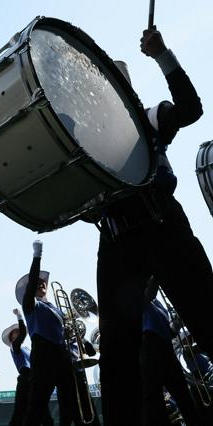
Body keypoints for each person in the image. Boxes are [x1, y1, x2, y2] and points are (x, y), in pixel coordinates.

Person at [95, 27, 212, 426]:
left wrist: (163, 56)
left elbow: (192, 108)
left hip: (162, 223)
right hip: (115, 240)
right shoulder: (84, 142)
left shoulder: (150, 117)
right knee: (116, 353)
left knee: (208, 316)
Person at [17, 240, 75, 426]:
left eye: (43, 283)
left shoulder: (56, 308)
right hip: (43, 354)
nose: (41, 283)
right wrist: (37, 256)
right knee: (37, 404)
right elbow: (33, 278)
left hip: (62, 354)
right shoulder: (30, 305)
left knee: (70, 402)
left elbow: (63, 332)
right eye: (37, 283)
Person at [139, 280, 201, 426]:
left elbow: (167, 331)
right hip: (149, 347)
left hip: (165, 347)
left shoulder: (158, 304)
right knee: (155, 403)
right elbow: (148, 294)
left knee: (184, 396)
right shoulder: (137, 294)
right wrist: (156, 275)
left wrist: (178, 324)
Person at [2, 309, 54, 426]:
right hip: (26, 379)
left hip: (35, 378)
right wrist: (19, 316)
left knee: (42, 412)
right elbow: (22, 334)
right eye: (15, 332)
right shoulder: (14, 346)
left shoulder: (26, 348)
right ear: (11, 337)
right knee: (20, 413)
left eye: (17, 331)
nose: (18, 332)